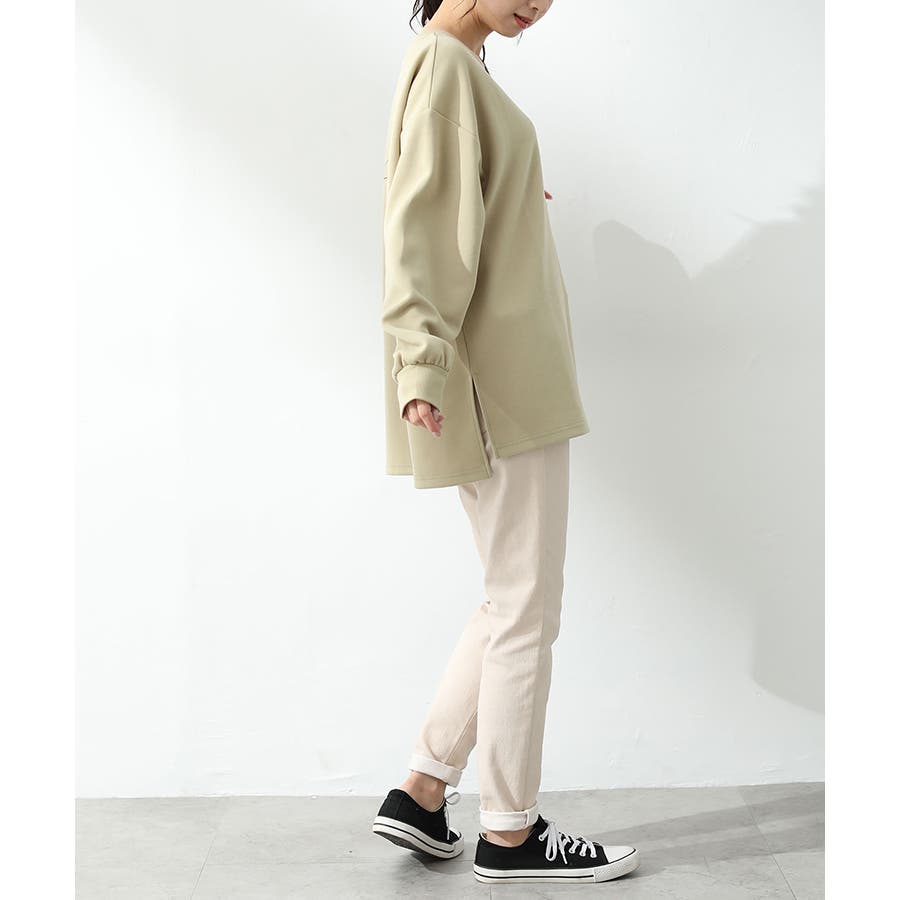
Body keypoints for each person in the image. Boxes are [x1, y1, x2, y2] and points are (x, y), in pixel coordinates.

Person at [372, 1, 641, 886]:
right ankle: (511, 833)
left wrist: (516, 193)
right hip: (501, 383)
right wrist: (419, 361)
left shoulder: (459, 67)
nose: (540, 2)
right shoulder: (447, 66)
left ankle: (422, 791)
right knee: (527, 608)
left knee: (509, 600)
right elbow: (418, 224)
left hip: (508, 376)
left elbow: (459, 203)